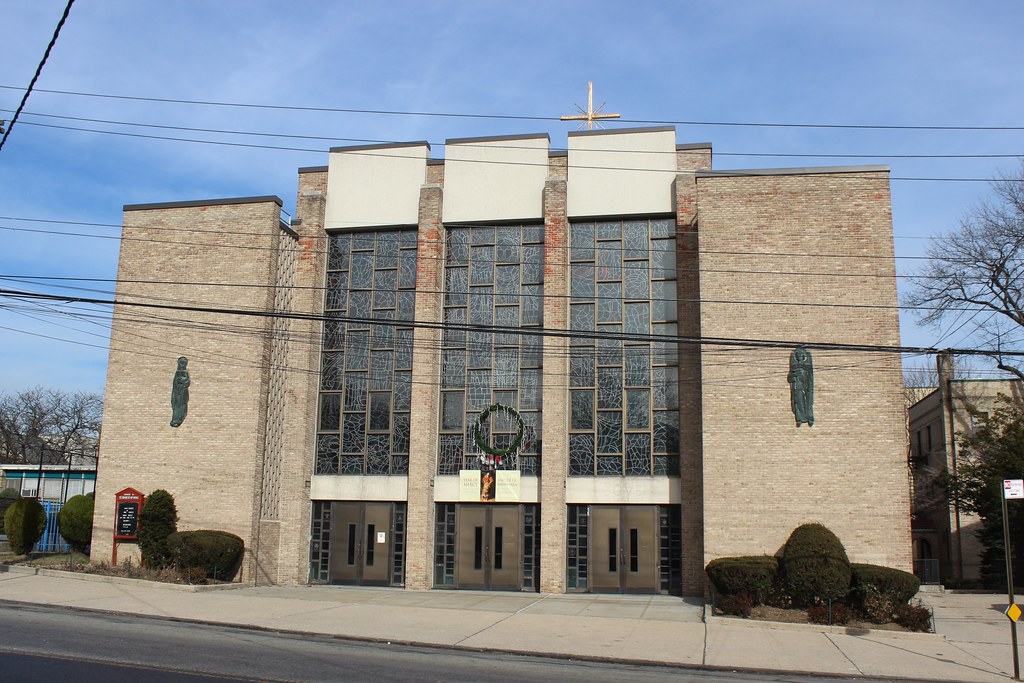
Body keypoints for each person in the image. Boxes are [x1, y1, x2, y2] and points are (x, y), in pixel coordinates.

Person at [787, 348, 814, 427]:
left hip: (806, 386)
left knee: (807, 401)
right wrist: (794, 375)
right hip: (797, 387)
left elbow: (810, 376)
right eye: (798, 355)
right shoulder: (794, 366)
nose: (799, 356)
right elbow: (789, 378)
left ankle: (809, 418)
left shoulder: (807, 365)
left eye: (801, 355)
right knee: (798, 402)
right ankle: (799, 418)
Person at [170, 356, 191, 427]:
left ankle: (179, 419)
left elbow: (188, 382)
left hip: (183, 394)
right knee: (175, 406)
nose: (182, 364)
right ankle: (175, 419)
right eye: (181, 363)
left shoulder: (186, 372)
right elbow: (175, 383)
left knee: (182, 406)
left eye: (183, 363)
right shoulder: (177, 372)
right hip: (176, 394)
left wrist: (184, 381)